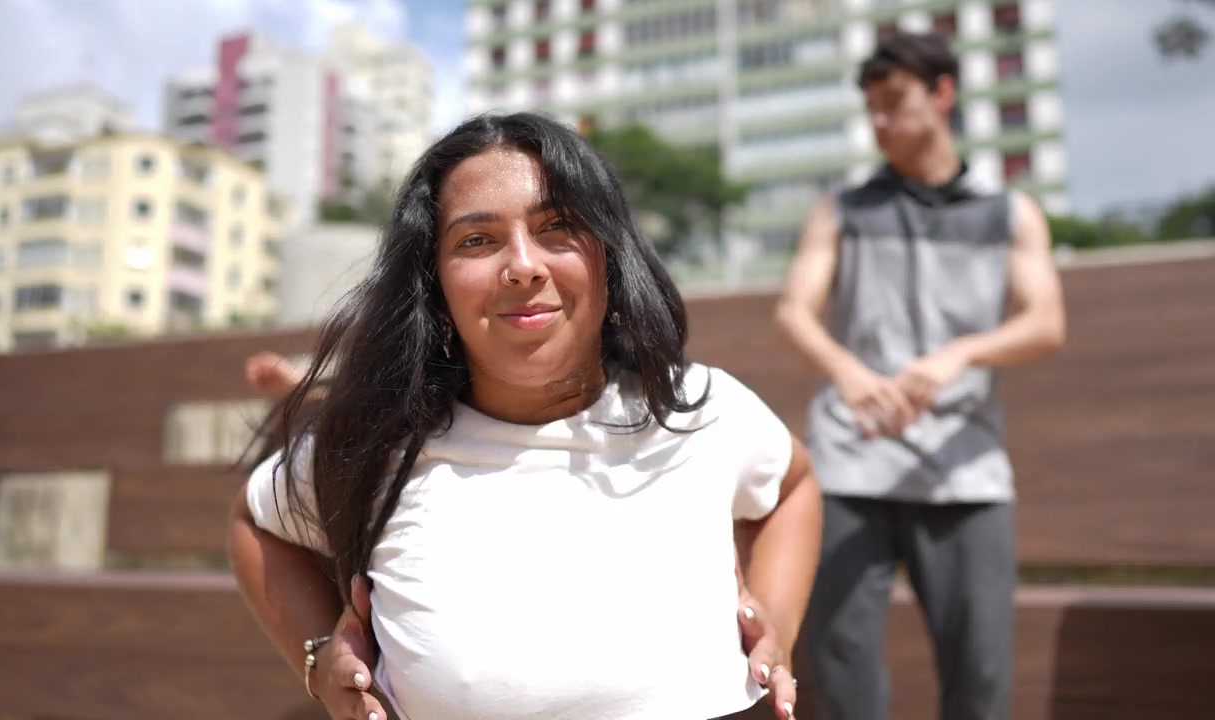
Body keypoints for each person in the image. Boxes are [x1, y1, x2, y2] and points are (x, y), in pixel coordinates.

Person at [229, 111, 823, 720]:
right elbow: (256, 522)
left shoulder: (698, 409)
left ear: (609, 256)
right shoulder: (380, 444)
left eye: (557, 227)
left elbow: (792, 488)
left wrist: (775, 621)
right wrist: (318, 657)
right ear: (435, 284)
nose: (523, 265)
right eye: (477, 241)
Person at [776, 32, 1066, 720]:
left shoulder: (1010, 213)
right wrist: (846, 371)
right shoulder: (840, 210)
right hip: (850, 463)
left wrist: (961, 353)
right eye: (871, 108)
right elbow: (793, 312)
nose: (880, 121)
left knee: (981, 676)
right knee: (842, 675)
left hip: (963, 468)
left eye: (895, 102)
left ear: (943, 94)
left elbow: (1045, 323)